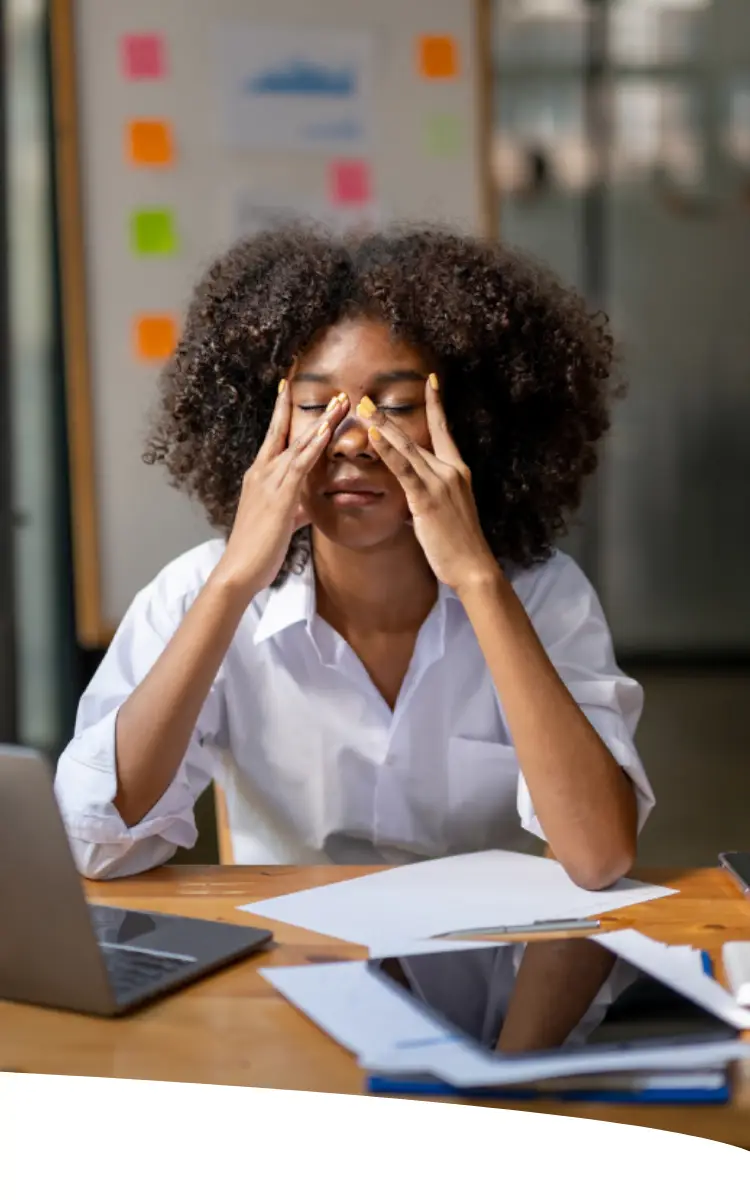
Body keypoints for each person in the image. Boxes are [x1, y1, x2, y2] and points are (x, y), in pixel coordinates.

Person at [55, 225, 654, 888]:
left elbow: (598, 855)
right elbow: (97, 843)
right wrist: (231, 585)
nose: (351, 441)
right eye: (316, 405)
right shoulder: (199, 590)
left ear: (475, 424)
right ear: (262, 426)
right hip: (289, 979)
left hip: (491, 981)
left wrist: (478, 579)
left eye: (396, 405)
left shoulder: (543, 593)